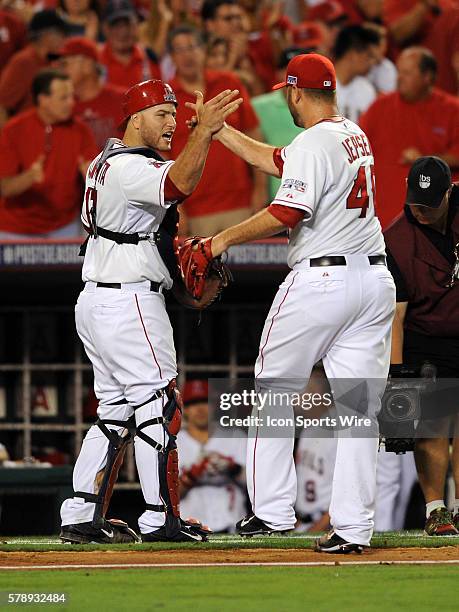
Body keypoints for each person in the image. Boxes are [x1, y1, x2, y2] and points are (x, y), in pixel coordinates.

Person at [191, 52, 396, 552]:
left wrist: (219, 240)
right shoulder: (353, 134)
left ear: (295, 93)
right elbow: (278, 160)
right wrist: (222, 134)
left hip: (322, 283)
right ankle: (352, 528)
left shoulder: (313, 142)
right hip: (373, 282)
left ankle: (271, 512)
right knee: (359, 412)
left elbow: (287, 209)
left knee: (273, 391)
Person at [59, 78, 243, 544]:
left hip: (99, 297)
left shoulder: (106, 162)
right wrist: (204, 132)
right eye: (161, 113)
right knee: (158, 406)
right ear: (134, 119)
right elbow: (177, 184)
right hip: (128, 299)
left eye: (175, 113)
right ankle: (161, 517)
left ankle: (81, 512)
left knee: (116, 410)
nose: (173, 122)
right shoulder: (128, 166)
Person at [384, 156, 459, 535]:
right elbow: (396, 316)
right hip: (424, 339)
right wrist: (397, 377)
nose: (421, 211)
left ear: (449, 192)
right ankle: (435, 510)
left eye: (430, 204)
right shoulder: (396, 239)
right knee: (433, 423)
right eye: (415, 202)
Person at [168, 25, 265, 236]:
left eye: (192, 47)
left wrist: (260, 188)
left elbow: (254, 134)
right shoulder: (168, 98)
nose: (187, 55)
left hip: (240, 203)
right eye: (180, 50)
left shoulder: (228, 83)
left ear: (203, 50)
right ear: (172, 57)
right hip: (194, 209)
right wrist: (174, 206)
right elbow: (162, 157)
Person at [360, 47, 459, 230]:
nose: (399, 78)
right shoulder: (379, 107)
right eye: (399, 72)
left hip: (434, 224)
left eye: (407, 73)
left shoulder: (452, 110)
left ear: (427, 77)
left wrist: (427, 160)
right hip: (383, 223)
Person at [0, 69, 97, 239]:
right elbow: (5, 188)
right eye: (63, 98)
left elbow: (94, 176)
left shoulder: (80, 130)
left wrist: (91, 176)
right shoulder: (13, 130)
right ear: (43, 100)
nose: (71, 103)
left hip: (64, 226)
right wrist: (29, 178)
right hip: (15, 229)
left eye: (71, 96)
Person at [177, 380, 247, 533]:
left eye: (205, 401)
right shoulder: (173, 443)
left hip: (232, 526)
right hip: (190, 528)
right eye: (193, 403)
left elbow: (256, 486)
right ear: (184, 409)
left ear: (214, 405)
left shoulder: (236, 437)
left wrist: (233, 468)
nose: (200, 408)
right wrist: (191, 475)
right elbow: (167, 498)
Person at [251, 47, 304, 201]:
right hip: (275, 197)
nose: (295, 77)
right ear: (279, 73)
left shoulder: (318, 106)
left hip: (312, 193)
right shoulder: (257, 106)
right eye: (288, 70)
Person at [0, 9, 67, 127]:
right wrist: (7, 142)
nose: (64, 40)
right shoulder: (23, 62)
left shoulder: (55, 61)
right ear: (46, 35)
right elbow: (2, 105)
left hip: (52, 135)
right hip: (28, 137)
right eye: (61, 34)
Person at [59, 37, 125, 149]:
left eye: (65, 64)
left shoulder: (123, 100)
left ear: (87, 66)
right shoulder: (60, 106)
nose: (61, 71)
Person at [383, 0, 459, 95]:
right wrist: (424, 5)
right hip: (419, 90)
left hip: (449, 89)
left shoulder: (453, 7)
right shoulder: (399, 2)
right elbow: (396, 35)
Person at [99, 0, 161, 90]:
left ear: (136, 26)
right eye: (116, 25)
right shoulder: (95, 61)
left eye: (127, 24)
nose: (123, 32)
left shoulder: (149, 58)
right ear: (105, 29)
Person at [333, 24, 380, 124]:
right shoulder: (319, 84)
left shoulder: (367, 89)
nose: (372, 62)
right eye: (369, 56)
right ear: (353, 54)